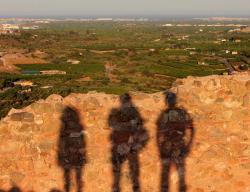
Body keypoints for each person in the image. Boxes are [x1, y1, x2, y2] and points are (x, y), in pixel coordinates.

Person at [108, 93, 149, 192]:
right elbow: (113, 125)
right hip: (123, 145)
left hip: (128, 145)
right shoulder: (119, 113)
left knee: (130, 173)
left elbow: (140, 127)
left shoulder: (132, 112)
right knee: (121, 173)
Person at [157, 92, 194, 192]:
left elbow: (158, 132)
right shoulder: (182, 112)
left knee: (166, 174)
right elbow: (191, 128)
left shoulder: (164, 114)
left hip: (170, 145)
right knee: (180, 174)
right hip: (178, 144)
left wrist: (160, 148)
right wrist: (189, 145)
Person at [58, 106, 86, 192]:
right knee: (69, 178)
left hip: (74, 154)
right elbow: (62, 142)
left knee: (75, 177)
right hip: (70, 154)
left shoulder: (76, 127)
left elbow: (81, 141)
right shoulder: (66, 128)